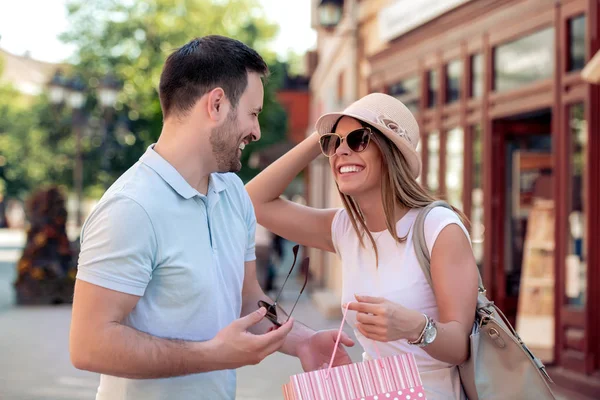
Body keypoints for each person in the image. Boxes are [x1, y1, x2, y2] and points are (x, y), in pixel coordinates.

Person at [69, 36, 354, 400]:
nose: (257, 131)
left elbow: (247, 298)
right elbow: (89, 345)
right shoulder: (130, 208)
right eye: (253, 113)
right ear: (217, 104)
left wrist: (303, 340)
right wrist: (213, 355)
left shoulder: (233, 193)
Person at [246, 93, 479, 399]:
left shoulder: (438, 227)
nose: (341, 151)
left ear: (391, 152)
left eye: (359, 139)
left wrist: (415, 327)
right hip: (374, 390)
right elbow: (252, 202)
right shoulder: (346, 229)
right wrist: (321, 136)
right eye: (334, 143)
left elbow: (460, 347)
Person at [14, 186, 77, 305]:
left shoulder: (59, 228)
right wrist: (41, 239)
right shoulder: (38, 229)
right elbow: (30, 251)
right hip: (41, 261)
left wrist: (66, 249)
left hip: (58, 261)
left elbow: (65, 249)